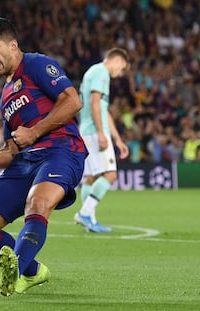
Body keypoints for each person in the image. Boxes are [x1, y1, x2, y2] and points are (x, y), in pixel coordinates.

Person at [0, 17, 87, 297]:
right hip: (25, 162)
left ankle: (14, 269)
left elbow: (73, 100)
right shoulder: (6, 94)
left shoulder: (37, 64)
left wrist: (35, 131)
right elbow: (11, 150)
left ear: (12, 45)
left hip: (60, 150)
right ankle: (32, 271)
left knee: (37, 203)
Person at [74, 48, 130, 233]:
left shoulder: (93, 72)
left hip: (88, 129)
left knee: (91, 177)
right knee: (111, 174)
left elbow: (104, 110)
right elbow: (95, 103)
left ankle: (90, 220)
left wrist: (117, 139)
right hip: (94, 130)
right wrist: (100, 133)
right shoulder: (102, 72)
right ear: (116, 60)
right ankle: (85, 213)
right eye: (122, 68)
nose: (120, 73)